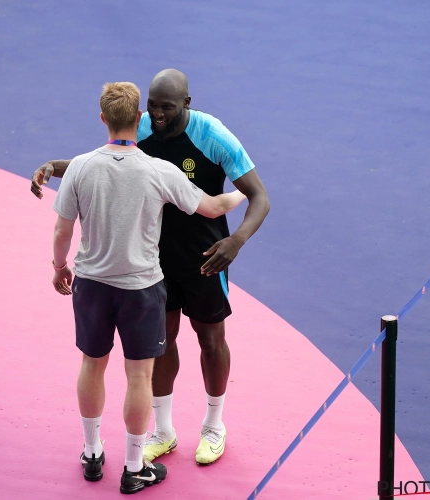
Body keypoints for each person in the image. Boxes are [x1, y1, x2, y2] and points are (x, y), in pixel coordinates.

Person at [38, 69, 270, 467]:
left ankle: (214, 425)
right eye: (153, 106)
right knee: (161, 344)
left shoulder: (213, 135)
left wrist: (236, 241)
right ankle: (163, 430)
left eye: (167, 107)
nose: (157, 115)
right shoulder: (140, 125)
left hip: (206, 257)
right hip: (154, 261)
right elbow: (100, 162)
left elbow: (259, 197)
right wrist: (54, 166)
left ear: (187, 103)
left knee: (211, 340)